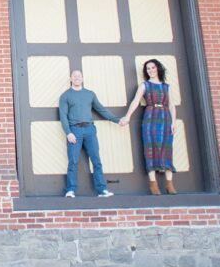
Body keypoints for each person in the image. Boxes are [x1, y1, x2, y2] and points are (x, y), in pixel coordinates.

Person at [58, 69, 122, 198]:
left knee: (96, 161)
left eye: (79, 76)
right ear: (70, 79)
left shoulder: (90, 94)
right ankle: (70, 190)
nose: (77, 78)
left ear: (82, 78)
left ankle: (102, 190)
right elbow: (63, 116)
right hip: (74, 131)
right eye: (74, 76)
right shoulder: (65, 96)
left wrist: (118, 120)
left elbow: (101, 110)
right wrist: (68, 133)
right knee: (73, 161)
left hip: (90, 130)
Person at [120, 58, 176, 195]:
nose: (150, 70)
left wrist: (173, 123)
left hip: (165, 117)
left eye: (153, 68)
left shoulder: (166, 86)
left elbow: (171, 105)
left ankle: (169, 184)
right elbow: (135, 101)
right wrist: (127, 116)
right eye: (148, 69)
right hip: (150, 117)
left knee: (167, 148)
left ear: (158, 69)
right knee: (150, 148)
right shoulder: (144, 85)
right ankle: (153, 184)